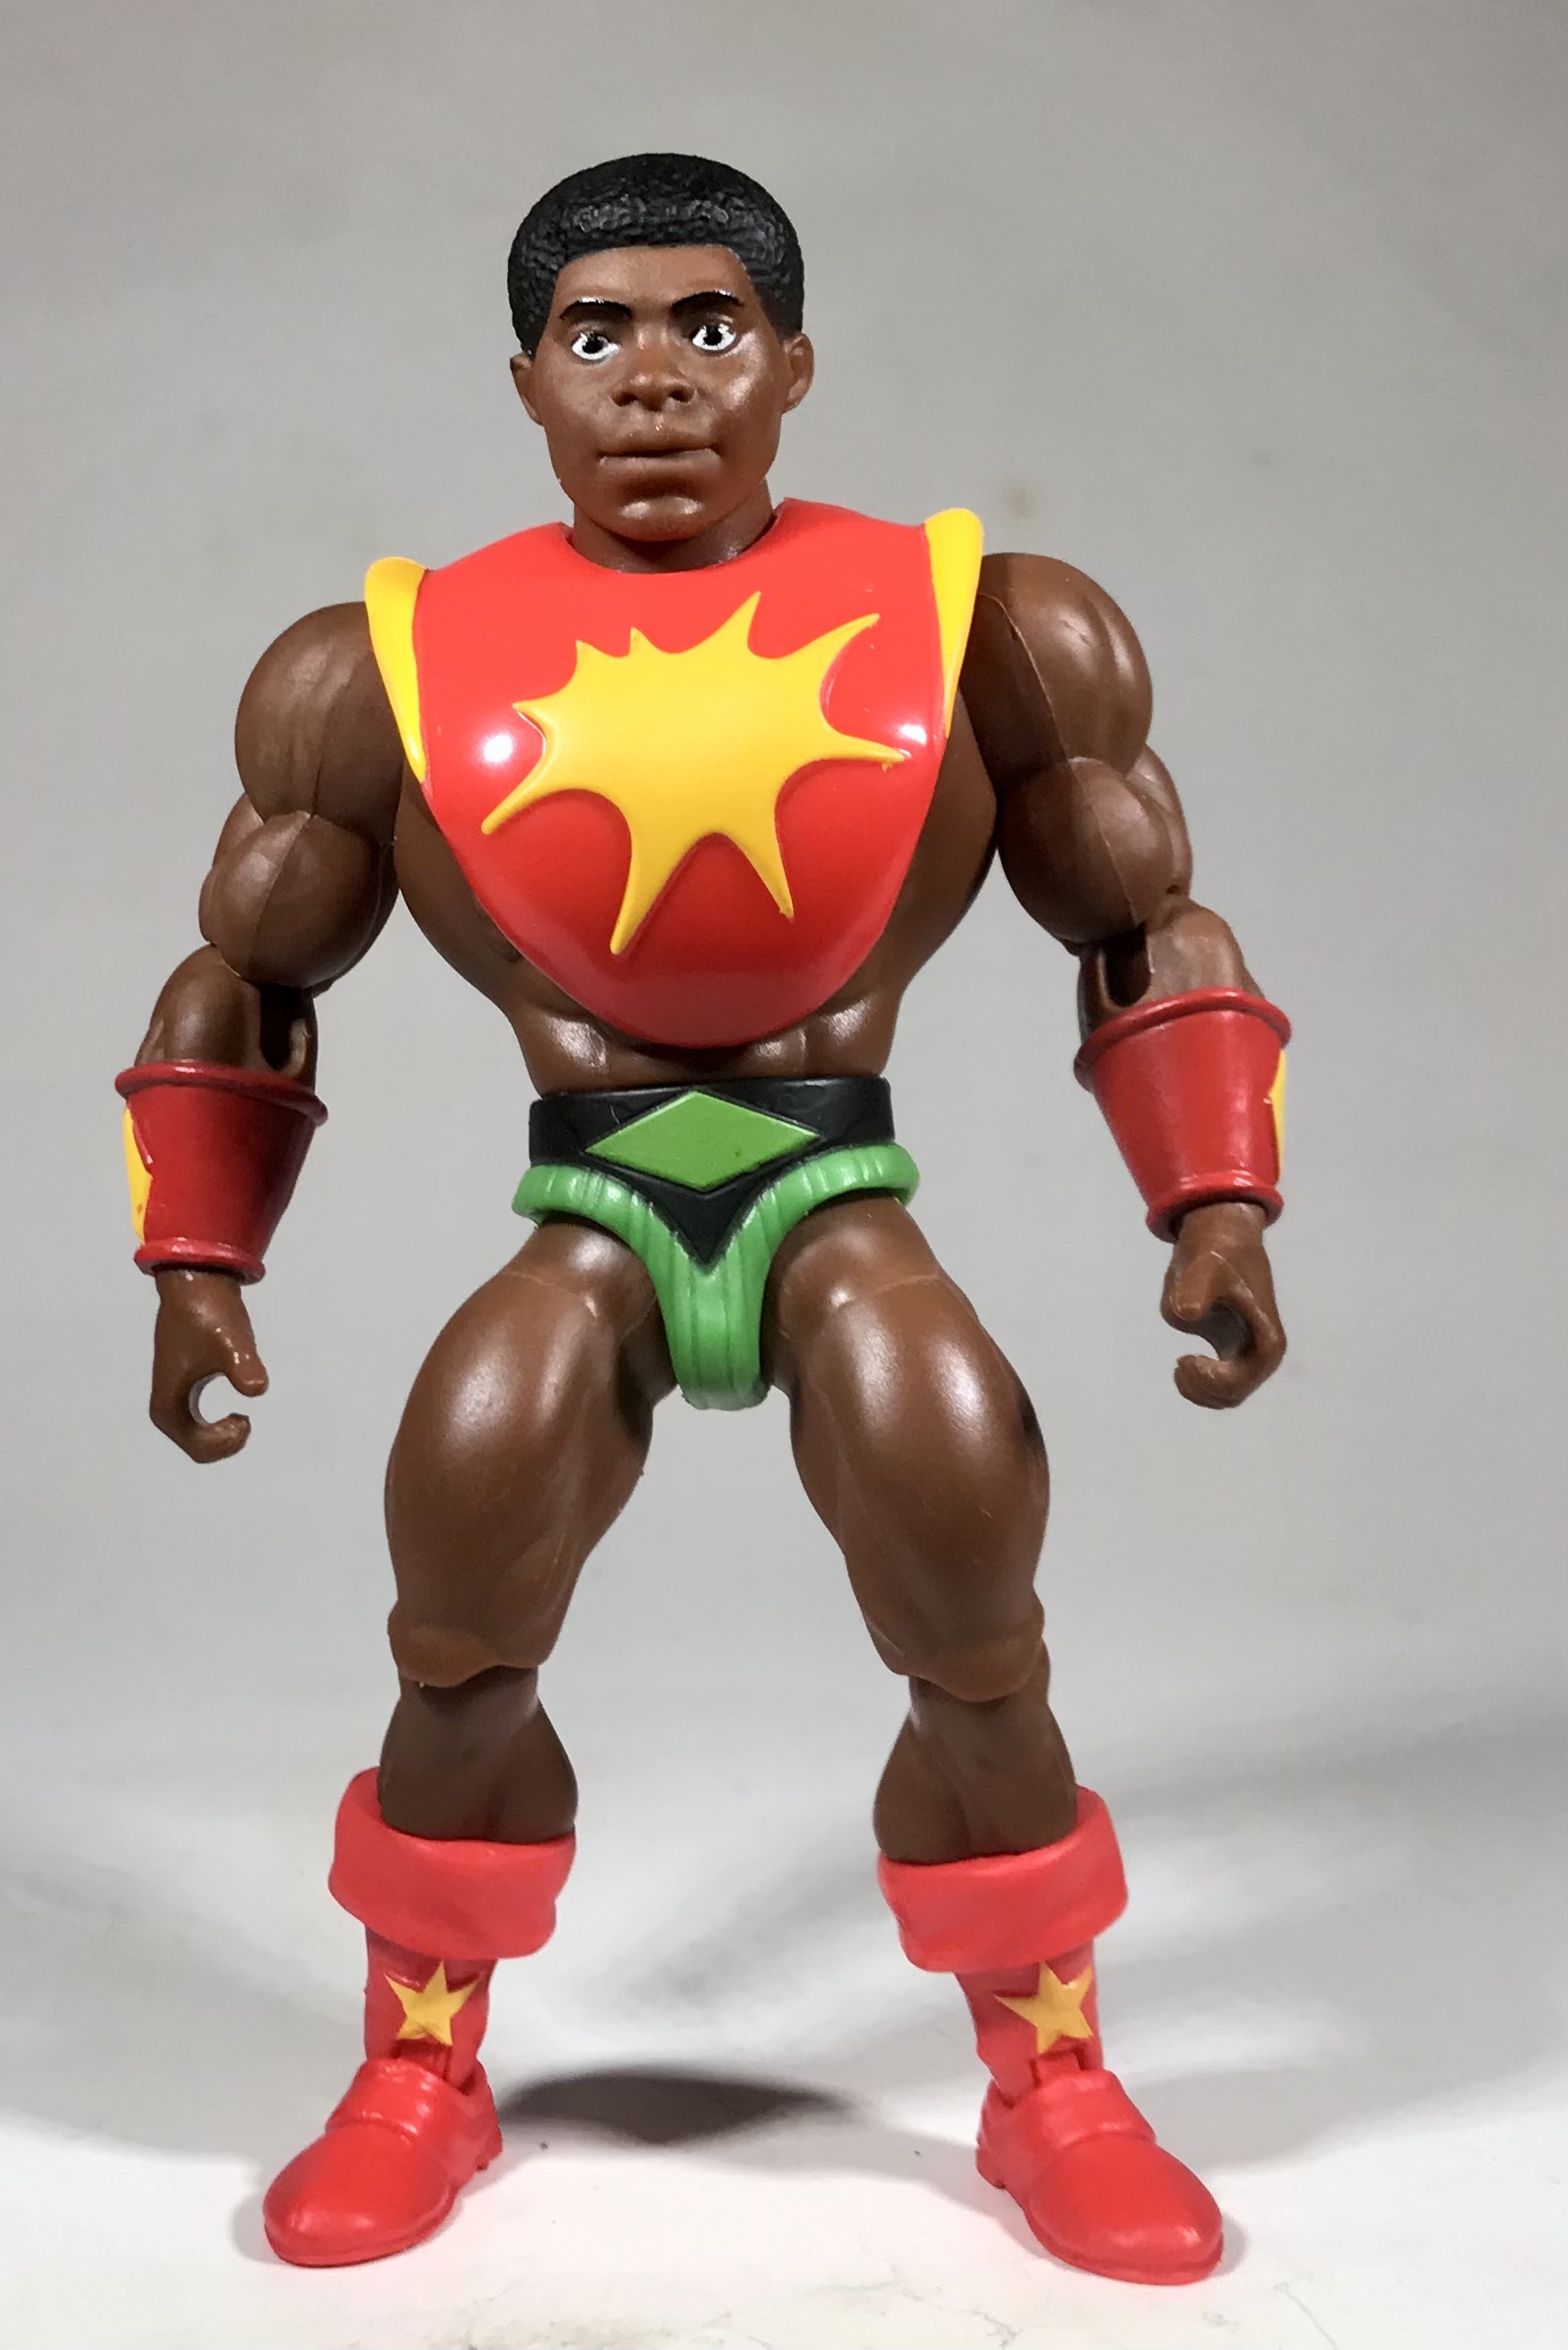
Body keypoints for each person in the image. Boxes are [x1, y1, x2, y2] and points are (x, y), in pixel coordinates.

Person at [119, 153, 1289, 2286]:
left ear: (795, 361)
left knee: (972, 1600)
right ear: (525, 378)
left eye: (707, 325)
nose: (652, 379)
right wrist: (199, 1260)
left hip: (833, 1190)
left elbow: (1143, 921)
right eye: (597, 333)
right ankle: (419, 2065)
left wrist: (1212, 1200)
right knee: (458, 1607)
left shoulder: (987, 627)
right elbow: (249, 974)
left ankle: (1050, 2074)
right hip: (592, 1203)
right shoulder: (378, 669)